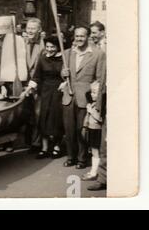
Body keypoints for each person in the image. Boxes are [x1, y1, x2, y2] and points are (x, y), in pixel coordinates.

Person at [61, 26, 106, 169]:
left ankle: (82, 159)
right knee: (69, 129)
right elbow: (63, 74)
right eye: (77, 36)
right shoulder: (67, 53)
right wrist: (64, 73)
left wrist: (96, 102)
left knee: (82, 130)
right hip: (68, 96)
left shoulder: (98, 54)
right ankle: (70, 157)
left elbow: (99, 79)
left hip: (85, 98)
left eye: (82, 36)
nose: (79, 39)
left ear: (88, 37)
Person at [25, 35, 64, 159]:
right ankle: (45, 147)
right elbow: (36, 76)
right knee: (43, 118)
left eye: (52, 47)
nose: (49, 49)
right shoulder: (42, 59)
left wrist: (65, 83)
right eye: (47, 47)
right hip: (45, 92)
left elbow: (66, 75)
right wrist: (30, 87)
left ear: (57, 47)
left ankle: (57, 146)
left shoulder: (64, 59)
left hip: (59, 91)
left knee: (56, 119)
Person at [23, 18, 45, 152]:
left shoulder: (43, 46)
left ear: (39, 30)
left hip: (38, 85)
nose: (30, 31)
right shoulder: (21, 43)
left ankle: (36, 143)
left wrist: (34, 84)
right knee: (26, 113)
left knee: (38, 114)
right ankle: (26, 140)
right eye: (28, 28)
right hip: (23, 84)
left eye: (33, 28)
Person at [81, 81, 103, 181]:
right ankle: (94, 171)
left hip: (97, 130)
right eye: (92, 92)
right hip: (92, 129)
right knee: (94, 151)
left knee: (95, 152)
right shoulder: (93, 103)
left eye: (94, 92)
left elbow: (100, 119)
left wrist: (91, 111)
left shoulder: (99, 105)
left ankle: (94, 172)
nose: (91, 94)